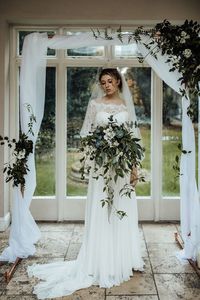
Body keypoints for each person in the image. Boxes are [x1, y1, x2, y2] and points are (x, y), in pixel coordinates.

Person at [27, 68, 144, 299]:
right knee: (102, 208)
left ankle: (123, 257)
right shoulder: (95, 105)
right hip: (101, 167)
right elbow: (86, 135)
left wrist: (133, 167)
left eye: (110, 81)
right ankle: (99, 258)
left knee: (121, 208)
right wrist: (96, 151)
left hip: (120, 167)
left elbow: (133, 138)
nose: (107, 85)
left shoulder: (125, 107)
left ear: (118, 82)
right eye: (103, 82)